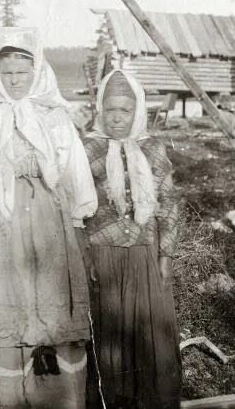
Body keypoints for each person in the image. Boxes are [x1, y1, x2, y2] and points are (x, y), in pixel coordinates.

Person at [0, 27, 97, 409]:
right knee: (3, 310)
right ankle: (2, 395)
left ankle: (52, 398)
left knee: (49, 309)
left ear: (36, 71)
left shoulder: (55, 117)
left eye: (22, 73)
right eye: (8, 73)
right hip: (0, 226)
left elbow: (75, 172)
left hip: (50, 228)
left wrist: (78, 222)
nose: (14, 81)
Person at [82, 69, 182, 409]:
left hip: (145, 254)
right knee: (111, 337)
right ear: (100, 109)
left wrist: (165, 254)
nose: (117, 118)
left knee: (152, 335)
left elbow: (168, 202)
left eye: (125, 110)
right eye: (110, 109)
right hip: (104, 256)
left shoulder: (152, 149)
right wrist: (86, 255)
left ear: (137, 111)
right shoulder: (89, 149)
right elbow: (75, 207)